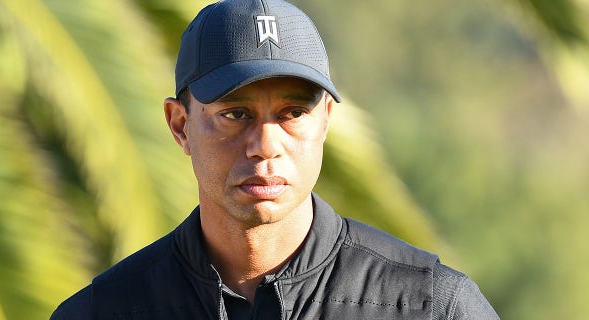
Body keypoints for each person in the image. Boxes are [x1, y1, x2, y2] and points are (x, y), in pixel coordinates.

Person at [51, 0, 499, 319]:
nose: (265, 145)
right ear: (179, 125)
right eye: (236, 114)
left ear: (324, 120)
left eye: (293, 113)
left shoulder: (431, 306)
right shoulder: (103, 310)